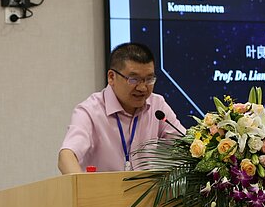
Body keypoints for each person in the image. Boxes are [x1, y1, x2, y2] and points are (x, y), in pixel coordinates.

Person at [58, 42, 185, 174]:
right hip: (103, 187)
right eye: (134, 79)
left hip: (146, 188)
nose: (142, 88)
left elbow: (187, 146)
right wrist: (81, 186)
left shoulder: (157, 105)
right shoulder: (90, 111)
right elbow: (66, 156)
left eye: (149, 79)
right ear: (111, 77)